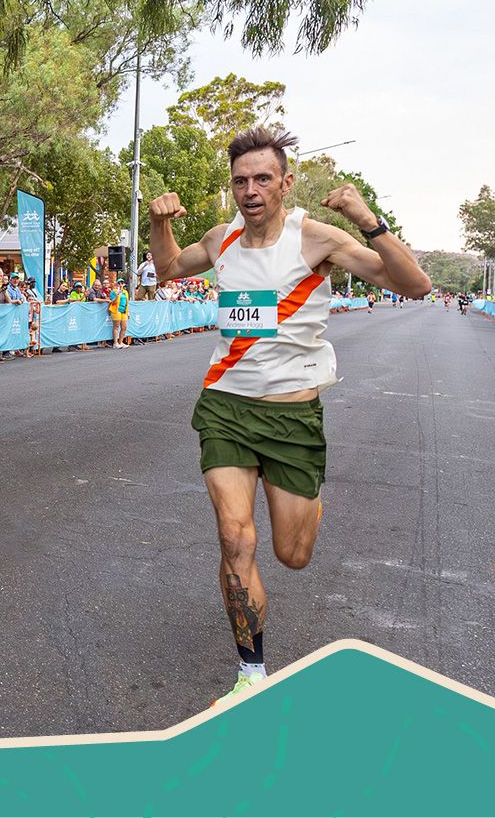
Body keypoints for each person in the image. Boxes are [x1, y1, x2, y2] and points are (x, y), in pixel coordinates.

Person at [150, 126, 432, 701]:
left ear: (285, 183)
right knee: (235, 536)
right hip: (225, 405)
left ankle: (303, 500)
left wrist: (366, 217)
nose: (250, 190)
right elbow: (170, 268)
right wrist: (159, 223)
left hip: (292, 417)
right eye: (240, 181)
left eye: (262, 179)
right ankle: (251, 673)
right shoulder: (222, 238)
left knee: (292, 555)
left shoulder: (318, 240)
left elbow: (416, 285)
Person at [108, 280, 132, 348]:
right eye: (119, 283)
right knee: (116, 326)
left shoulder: (125, 292)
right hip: (116, 310)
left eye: (122, 283)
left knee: (124, 327)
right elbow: (112, 301)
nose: (120, 284)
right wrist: (117, 295)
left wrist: (128, 312)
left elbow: (126, 302)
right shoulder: (113, 292)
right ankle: (115, 343)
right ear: (116, 284)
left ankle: (120, 342)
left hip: (123, 311)